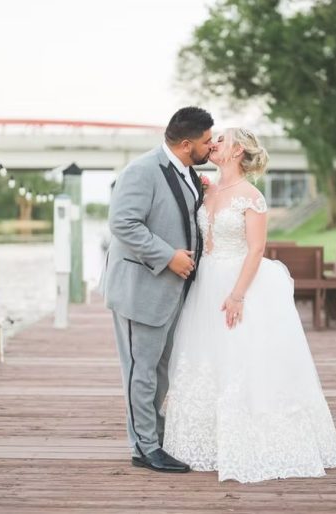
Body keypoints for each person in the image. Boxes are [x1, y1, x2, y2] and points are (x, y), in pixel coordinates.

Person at [162, 127, 336, 483]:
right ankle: (206, 442)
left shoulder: (250, 196)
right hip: (205, 286)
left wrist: (237, 295)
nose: (213, 144)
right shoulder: (208, 189)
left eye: (221, 141)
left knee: (242, 359)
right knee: (207, 358)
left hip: (238, 283)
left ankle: (256, 441)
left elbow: (257, 249)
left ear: (237, 151)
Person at [100, 106, 214, 473]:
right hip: (141, 289)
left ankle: (156, 438)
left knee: (160, 371)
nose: (210, 148)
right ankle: (145, 449)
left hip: (172, 293)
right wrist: (168, 257)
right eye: (206, 141)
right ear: (186, 144)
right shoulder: (142, 170)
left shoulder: (187, 171)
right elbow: (122, 223)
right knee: (141, 371)